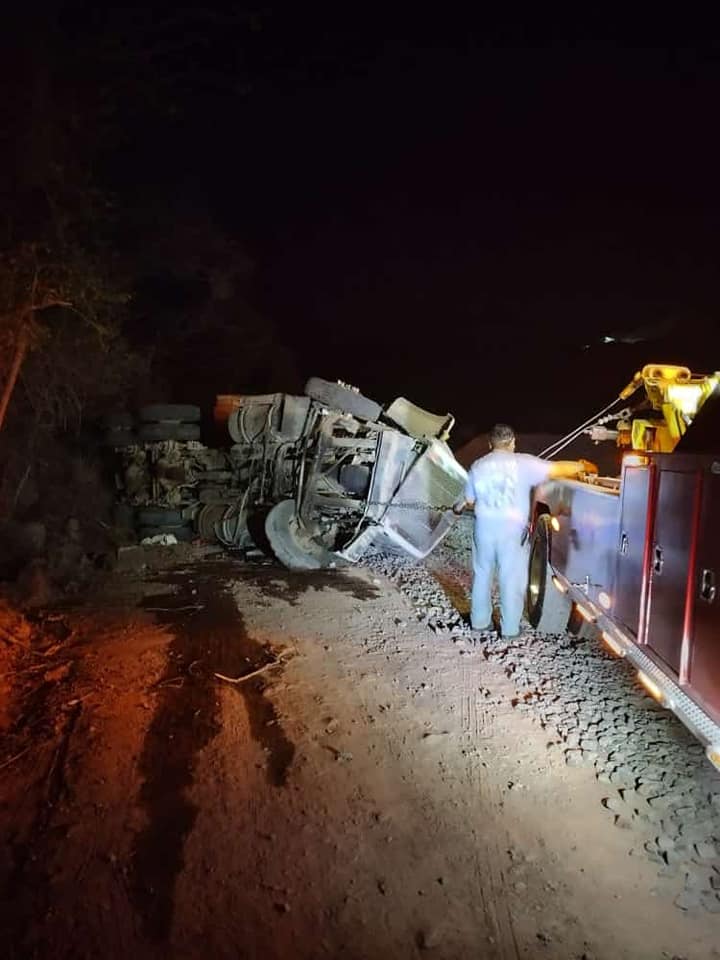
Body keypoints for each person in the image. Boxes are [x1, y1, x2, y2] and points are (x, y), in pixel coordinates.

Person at [453, 423, 597, 638]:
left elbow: (470, 499)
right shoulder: (523, 463)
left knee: (482, 575)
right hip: (511, 532)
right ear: (512, 442)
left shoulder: (478, 466)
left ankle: (480, 623)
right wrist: (582, 466)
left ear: (490, 444)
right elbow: (557, 468)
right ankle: (510, 630)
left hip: (484, 529)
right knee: (511, 580)